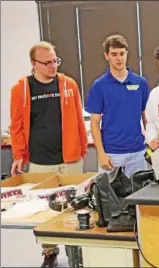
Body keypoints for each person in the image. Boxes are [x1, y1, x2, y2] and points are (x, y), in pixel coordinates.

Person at [9, 41, 88, 267]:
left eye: (55, 61)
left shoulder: (69, 85)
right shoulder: (21, 89)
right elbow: (16, 126)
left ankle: (77, 252)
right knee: (45, 210)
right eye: (47, 62)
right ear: (34, 64)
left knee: (76, 206)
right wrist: (18, 155)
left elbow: (79, 121)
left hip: (70, 159)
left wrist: (81, 150)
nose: (53, 66)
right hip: (40, 161)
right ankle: (49, 252)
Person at [85, 34, 150, 176]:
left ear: (127, 54)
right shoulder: (99, 85)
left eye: (122, 54)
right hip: (111, 153)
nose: (119, 58)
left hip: (138, 152)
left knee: (139, 195)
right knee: (111, 196)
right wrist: (101, 154)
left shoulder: (140, 83)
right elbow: (95, 123)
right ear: (106, 56)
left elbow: (146, 117)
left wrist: (150, 142)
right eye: (114, 54)